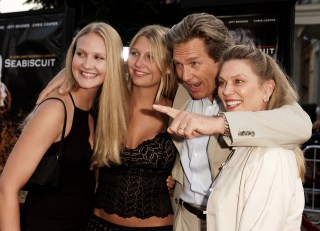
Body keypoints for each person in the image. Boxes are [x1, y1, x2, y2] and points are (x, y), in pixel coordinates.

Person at [152, 12, 312, 231]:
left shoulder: (241, 101)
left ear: (220, 59)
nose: (185, 75)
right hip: (185, 218)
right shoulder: (183, 93)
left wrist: (219, 124)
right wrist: (174, 177)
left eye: (194, 63)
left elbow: (300, 125)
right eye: (178, 64)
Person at [37, 25, 178, 230]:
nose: (139, 63)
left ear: (168, 66)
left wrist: (177, 178)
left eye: (151, 56)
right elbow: (85, 71)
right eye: (135, 53)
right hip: (98, 224)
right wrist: (65, 73)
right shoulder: (105, 103)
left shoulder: (179, 111)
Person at [0, 22, 129, 231]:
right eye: (81, 54)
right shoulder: (56, 109)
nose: (87, 64)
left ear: (113, 64)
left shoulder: (97, 110)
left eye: (99, 57)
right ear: (72, 57)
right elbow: (6, 187)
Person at [208, 44, 305, 230]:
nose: (226, 91)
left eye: (238, 81)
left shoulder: (272, 156)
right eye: (222, 82)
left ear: (268, 89)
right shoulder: (246, 145)